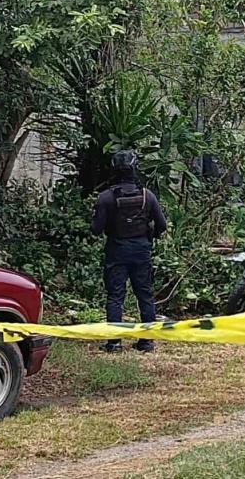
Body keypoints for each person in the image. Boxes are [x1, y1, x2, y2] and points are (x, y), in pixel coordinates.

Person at [91, 150, 167, 353]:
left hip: (116, 250)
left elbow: (96, 230)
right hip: (141, 250)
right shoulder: (147, 196)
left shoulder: (106, 198)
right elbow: (162, 224)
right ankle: (147, 341)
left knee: (115, 296)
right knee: (145, 294)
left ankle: (114, 342)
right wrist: (148, 237)